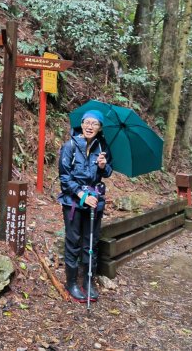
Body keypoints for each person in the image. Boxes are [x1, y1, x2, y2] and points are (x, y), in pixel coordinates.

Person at [58, 110, 112, 303]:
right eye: (87, 123)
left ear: (100, 128)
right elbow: (64, 178)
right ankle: (71, 282)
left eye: (94, 124)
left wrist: (103, 166)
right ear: (81, 124)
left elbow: (108, 172)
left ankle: (88, 281)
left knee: (91, 242)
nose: (90, 126)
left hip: (95, 201)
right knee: (73, 241)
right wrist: (82, 195)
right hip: (73, 201)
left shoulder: (102, 147)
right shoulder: (70, 146)